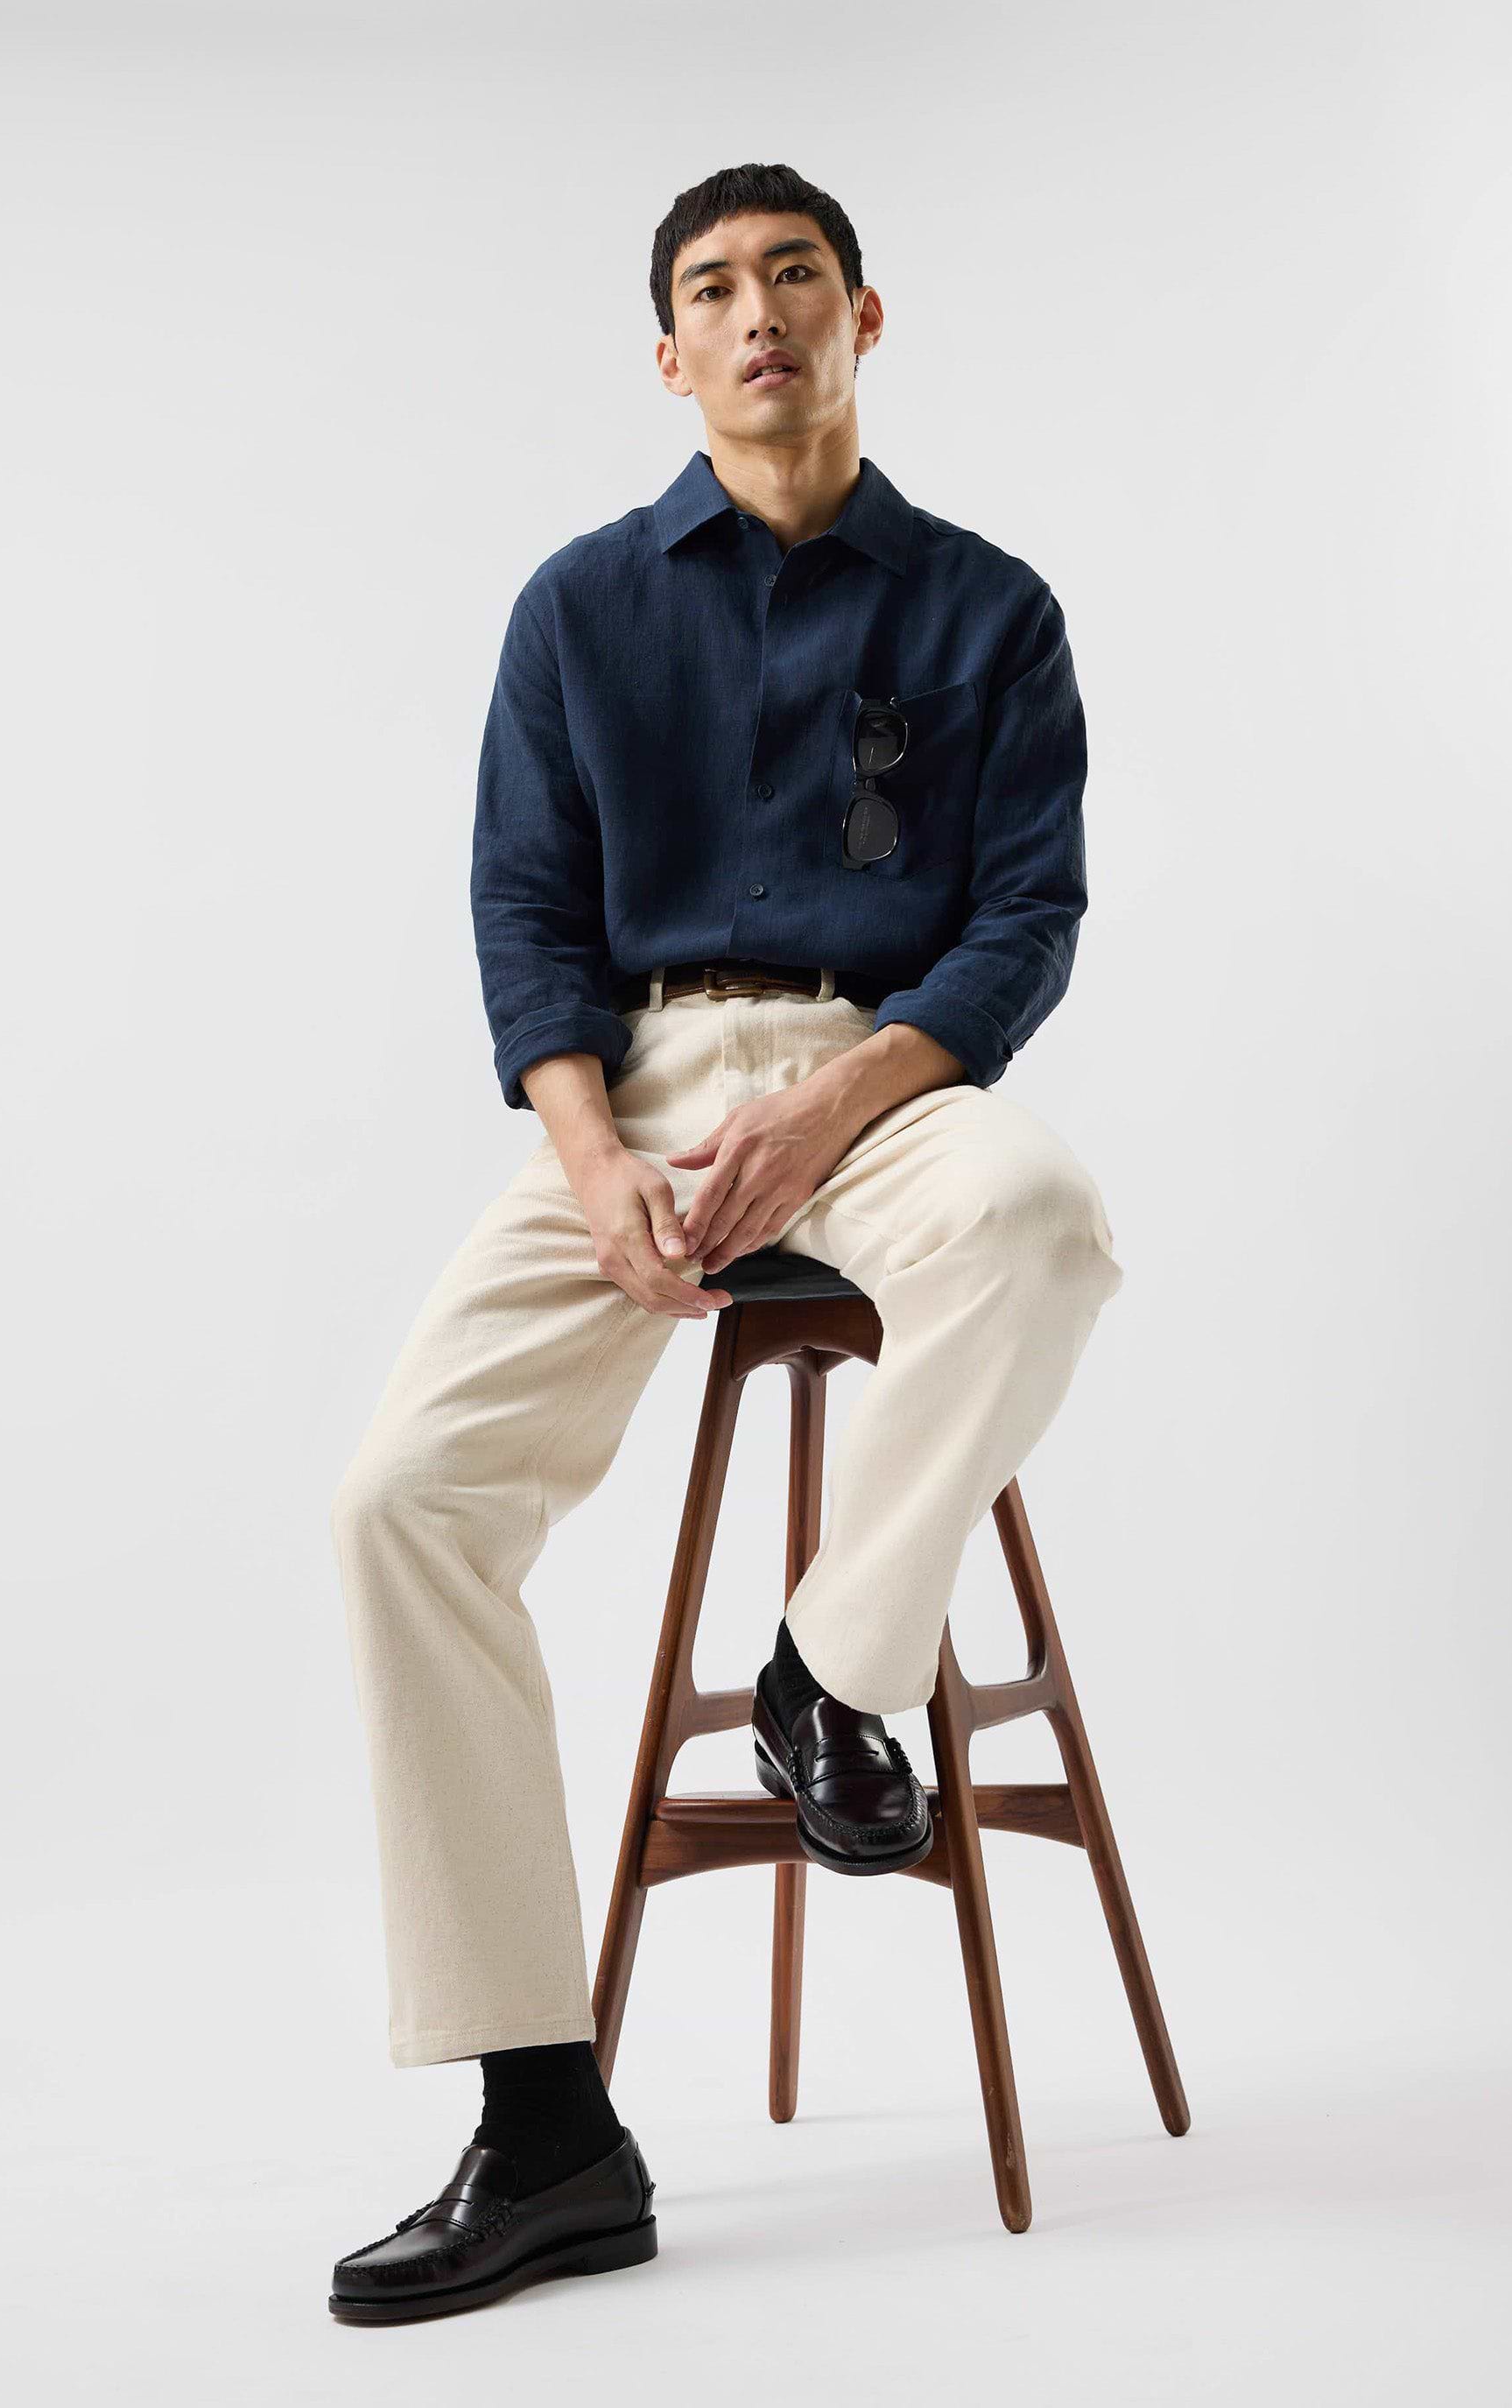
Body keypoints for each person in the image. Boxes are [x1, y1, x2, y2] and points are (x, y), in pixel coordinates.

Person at [326, 159, 1125, 2325]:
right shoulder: (579, 608)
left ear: (870, 315)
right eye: (713, 287)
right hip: (632, 1099)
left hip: (879, 1080)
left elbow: (1021, 922)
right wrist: (594, 1166)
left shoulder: (986, 608)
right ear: (667, 354)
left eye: (796, 275)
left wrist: (839, 1102)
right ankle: (548, 2125)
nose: (758, 312)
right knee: (404, 1499)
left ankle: (829, 1672)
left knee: (1044, 1217)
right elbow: (527, 917)